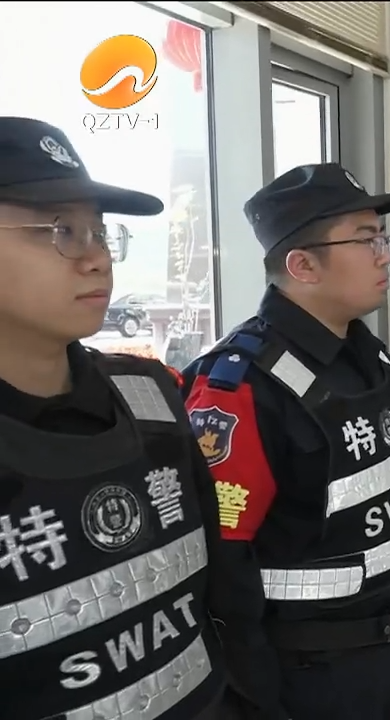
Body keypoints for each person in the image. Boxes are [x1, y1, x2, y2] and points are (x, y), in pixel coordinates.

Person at [0, 117, 228, 719]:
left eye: (100, 233)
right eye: (61, 231)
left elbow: (222, 580)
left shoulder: (148, 394)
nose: (98, 259)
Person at [182, 164, 390, 719]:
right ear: (303, 265)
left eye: (383, 238)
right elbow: (221, 566)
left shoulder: (371, 357)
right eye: (366, 240)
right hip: (307, 676)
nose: (384, 255)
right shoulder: (241, 385)